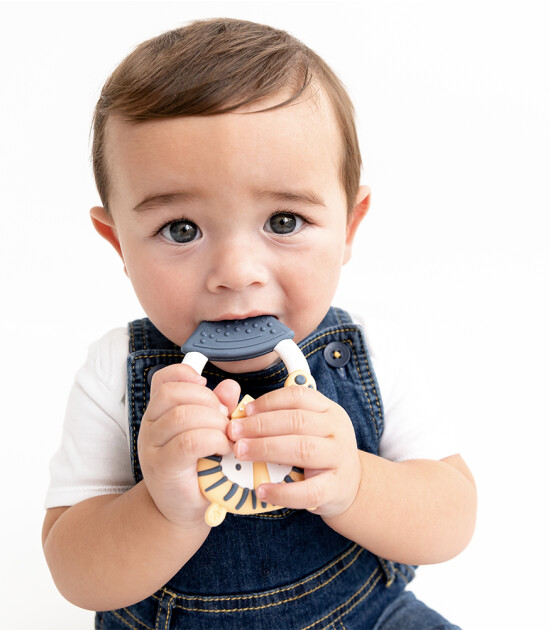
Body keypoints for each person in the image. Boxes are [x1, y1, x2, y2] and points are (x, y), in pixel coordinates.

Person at [42, 18, 476, 629]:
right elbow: (74, 570)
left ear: (349, 227)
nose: (237, 273)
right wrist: (161, 509)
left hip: (368, 616)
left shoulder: (369, 353)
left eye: (283, 221)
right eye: (181, 230)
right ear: (118, 243)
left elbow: (452, 518)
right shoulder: (117, 371)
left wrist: (353, 482)